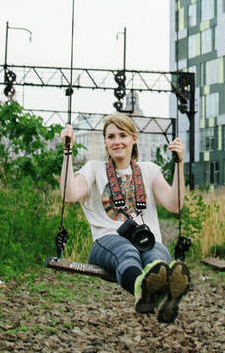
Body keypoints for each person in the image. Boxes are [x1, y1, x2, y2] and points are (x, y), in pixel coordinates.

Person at [58, 114, 191, 323]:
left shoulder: (149, 170)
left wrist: (179, 164)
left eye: (123, 135)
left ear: (134, 139)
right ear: (105, 142)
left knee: (157, 258)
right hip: (107, 241)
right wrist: (67, 152)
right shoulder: (94, 169)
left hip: (146, 240)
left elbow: (174, 205)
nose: (116, 141)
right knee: (127, 252)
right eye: (111, 136)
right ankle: (142, 289)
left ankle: (163, 295)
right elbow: (69, 194)